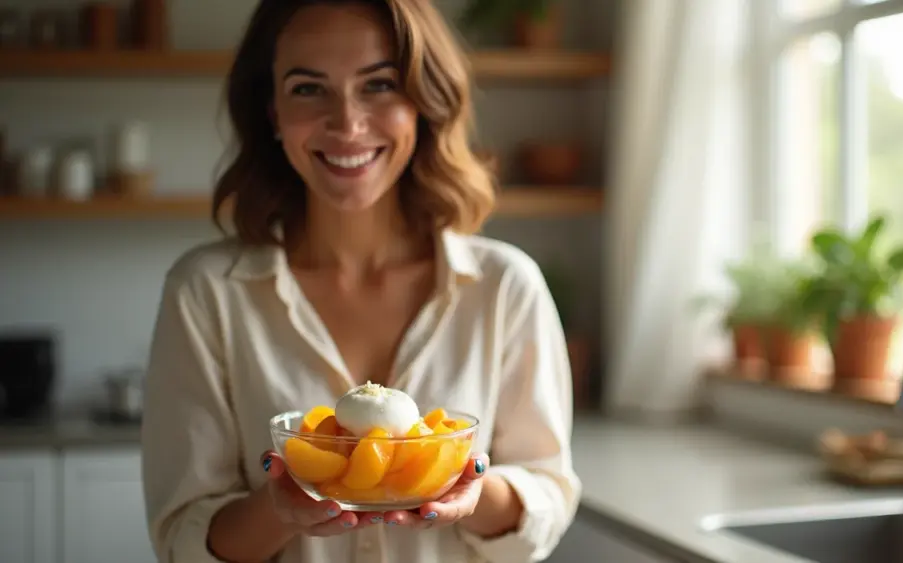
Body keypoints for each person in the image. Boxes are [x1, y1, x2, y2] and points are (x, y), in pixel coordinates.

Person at [139, 0, 581, 562]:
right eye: (307, 89)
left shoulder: (505, 286)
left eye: (379, 85)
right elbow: (182, 539)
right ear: (271, 112)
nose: (347, 123)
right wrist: (279, 508)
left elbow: (547, 497)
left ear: (423, 101)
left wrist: (467, 488)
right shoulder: (205, 293)